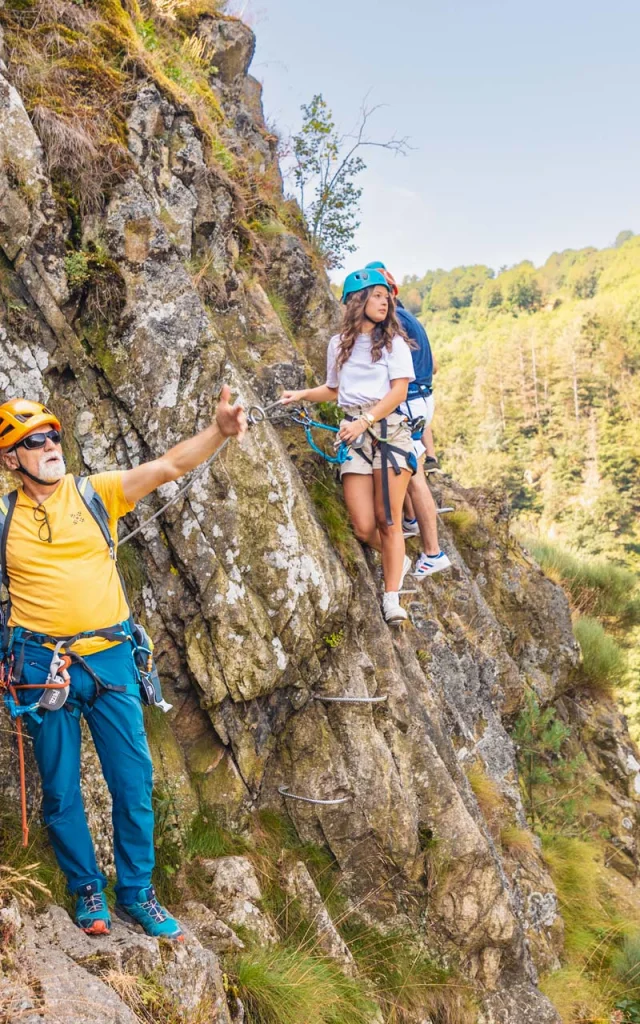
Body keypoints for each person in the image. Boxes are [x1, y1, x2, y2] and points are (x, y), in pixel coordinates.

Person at [0, 392, 246, 938]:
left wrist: (220, 430)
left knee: (133, 783)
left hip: (111, 658)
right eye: (33, 441)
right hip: (43, 665)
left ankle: (137, 892)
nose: (49, 446)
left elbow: (168, 466)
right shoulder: (4, 516)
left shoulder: (95, 493)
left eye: (53, 436)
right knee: (61, 790)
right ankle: (87, 889)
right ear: (11, 458)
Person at [281, 268, 415, 625]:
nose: (385, 302)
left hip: (387, 434)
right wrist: (302, 396)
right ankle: (397, 560)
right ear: (357, 301)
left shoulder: (394, 344)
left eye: (387, 297)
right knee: (362, 525)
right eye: (376, 296)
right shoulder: (338, 344)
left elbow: (398, 391)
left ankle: (392, 598)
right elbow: (334, 389)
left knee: (389, 520)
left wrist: (365, 421)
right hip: (354, 435)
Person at [365, 262, 450, 580]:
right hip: (424, 397)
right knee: (411, 467)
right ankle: (413, 521)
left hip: (411, 401)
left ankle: (432, 552)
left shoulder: (393, 322)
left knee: (413, 476)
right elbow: (436, 365)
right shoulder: (411, 320)